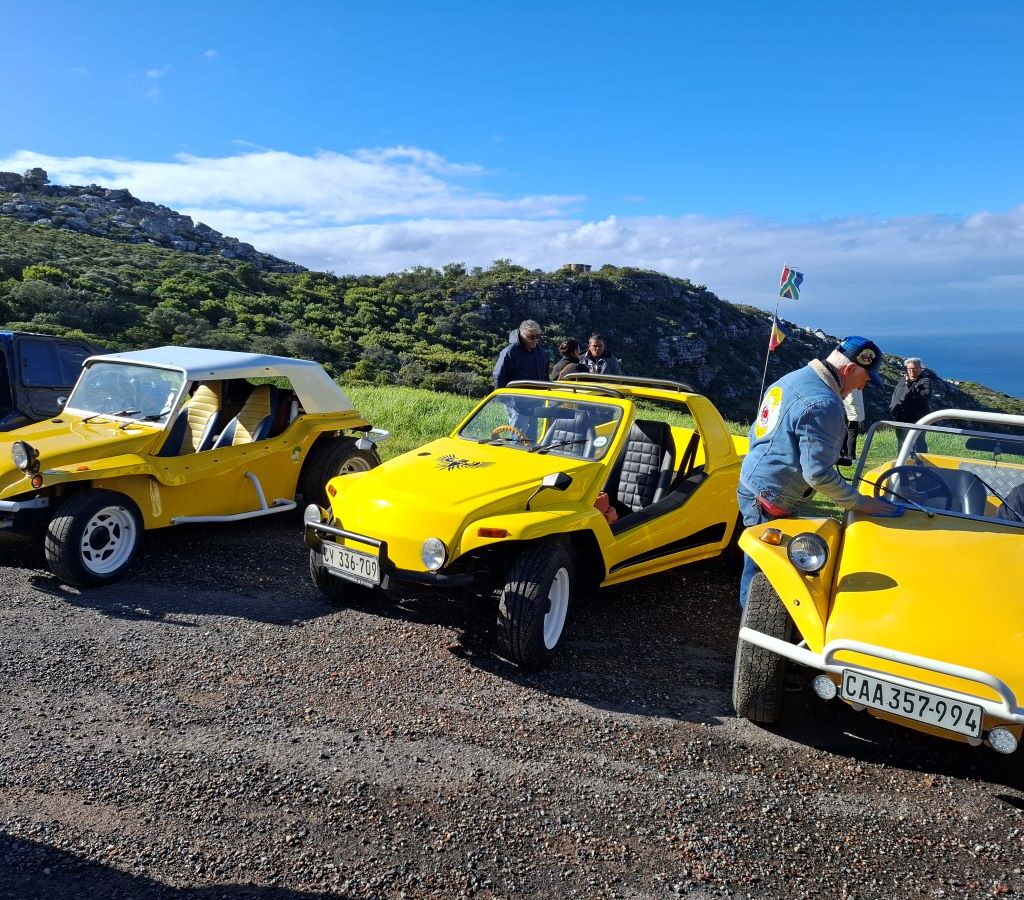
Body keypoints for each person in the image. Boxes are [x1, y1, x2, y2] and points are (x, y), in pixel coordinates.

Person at [737, 336, 903, 608]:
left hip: (752, 481)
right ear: (849, 370)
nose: (864, 385)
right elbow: (818, 474)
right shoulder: (824, 404)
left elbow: (757, 429)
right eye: (865, 379)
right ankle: (754, 632)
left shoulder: (791, 379)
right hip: (773, 496)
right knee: (764, 572)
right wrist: (860, 502)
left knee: (758, 558)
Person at [493, 320, 550, 440]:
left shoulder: (540, 352)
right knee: (518, 436)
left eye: (537, 336)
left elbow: (545, 375)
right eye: (531, 337)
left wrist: (546, 394)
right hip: (517, 403)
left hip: (535, 401)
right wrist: (509, 401)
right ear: (522, 334)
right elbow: (499, 376)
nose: (535, 340)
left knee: (532, 437)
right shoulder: (510, 352)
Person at [889, 357, 944, 454]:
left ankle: (921, 464)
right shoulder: (902, 380)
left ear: (919, 369)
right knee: (901, 441)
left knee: (919, 442)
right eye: (909, 369)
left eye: (914, 368)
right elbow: (896, 394)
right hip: (900, 417)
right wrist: (892, 408)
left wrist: (910, 385)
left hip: (916, 419)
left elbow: (924, 396)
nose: (911, 371)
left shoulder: (925, 381)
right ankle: (901, 463)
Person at [838, 388, 865, 466]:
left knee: (845, 432)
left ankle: (844, 454)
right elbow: (851, 399)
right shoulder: (854, 385)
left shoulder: (851, 382)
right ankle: (851, 457)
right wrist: (855, 413)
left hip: (847, 410)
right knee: (852, 433)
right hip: (852, 411)